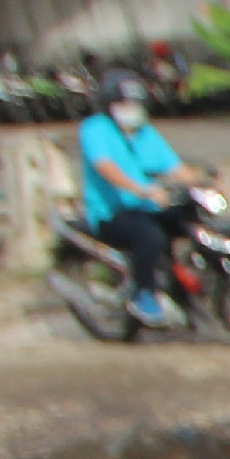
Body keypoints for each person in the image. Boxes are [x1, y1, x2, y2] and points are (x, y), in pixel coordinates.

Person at [78, 67, 192, 326]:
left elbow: (174, 168)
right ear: (109, 104)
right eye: (123, 103)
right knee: (150, 236)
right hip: (112, 212)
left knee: (190, 222)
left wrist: (203, 181)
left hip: (147, 206)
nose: (131, 108)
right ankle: (144, 294)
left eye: (135, 103)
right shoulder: (95, 128)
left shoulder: (145, 133)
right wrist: (139, 188)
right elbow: (104, 166)